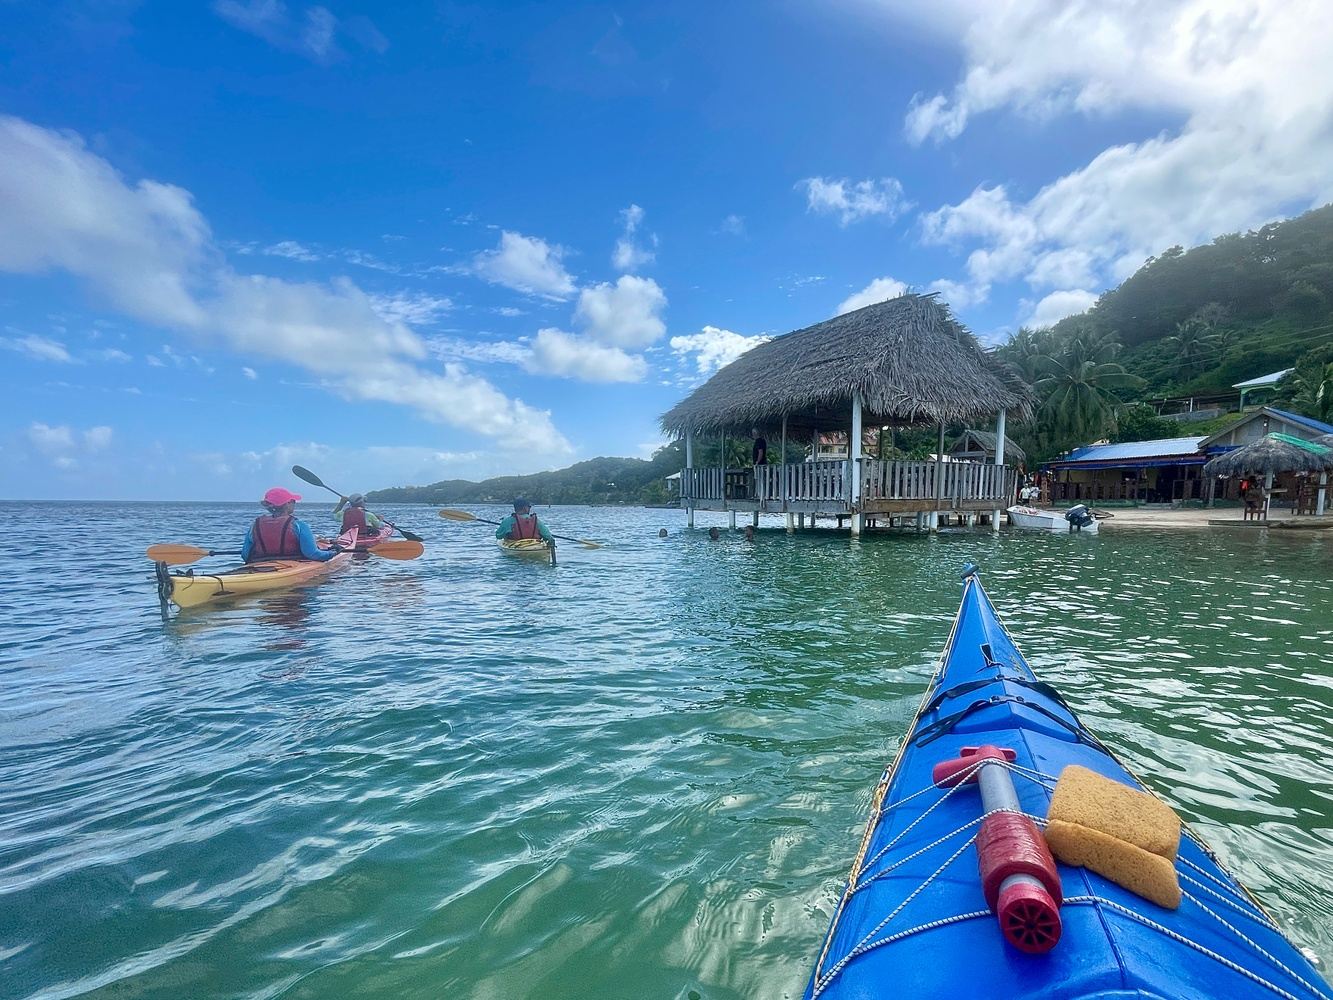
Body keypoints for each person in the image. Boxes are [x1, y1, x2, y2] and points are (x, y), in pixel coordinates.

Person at [242, 487, 338, 563]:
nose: (294, 503)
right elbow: (312, 554)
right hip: (293, 563)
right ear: (287, 503)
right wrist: (333, 553)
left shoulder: (255, 525)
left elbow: (245, 555)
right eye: (293, 501)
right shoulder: (299, 525)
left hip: (259, 564)